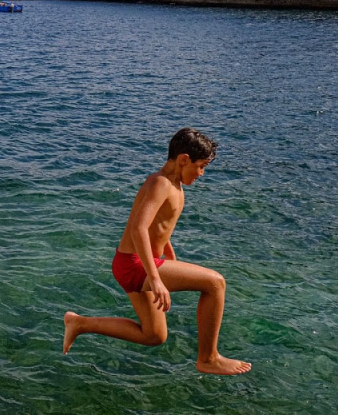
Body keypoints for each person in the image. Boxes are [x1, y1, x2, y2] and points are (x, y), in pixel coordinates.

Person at [62, 128, 251, 375]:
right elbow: (138, 228)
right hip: (135, 264)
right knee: (215, 283)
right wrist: (155, 278)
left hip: (134, 262)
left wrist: (168, 254)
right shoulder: (160, 183)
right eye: (201, 166)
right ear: (184, 159)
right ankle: (208, 358)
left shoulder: (172, 184)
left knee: (154, 335)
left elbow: (158, 225)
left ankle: (79, 323)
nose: (201, 174)